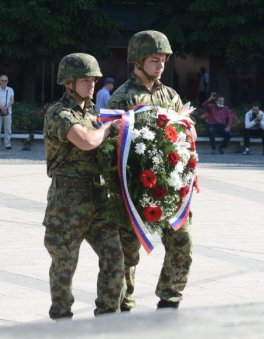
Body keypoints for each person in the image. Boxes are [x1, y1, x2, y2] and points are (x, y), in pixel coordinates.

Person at [107, 30, 194, 310]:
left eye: (163, 61)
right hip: (133, 186)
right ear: (137, 61)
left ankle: (170, 298)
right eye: (154, 60)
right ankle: (123, 301)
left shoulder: (170, 95)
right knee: (127, 251)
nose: (160, 66)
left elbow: (184, 133)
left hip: (167, 187)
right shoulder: (122, 98)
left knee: (182, 240)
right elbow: (111, 144)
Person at [43, 53, 124, 319]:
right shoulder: (59, 113)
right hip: (68, 199)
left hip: (98, 195)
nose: (92, 84)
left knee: (114, 256)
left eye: (94, 79)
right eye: (85, 79)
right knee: (65, 263)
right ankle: (62, 314)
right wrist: (109, 128)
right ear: (69, 82)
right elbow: (87, 141)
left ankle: (107, 313)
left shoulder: (93, 113)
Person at [0, 75, 14, 150]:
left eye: (5, 81)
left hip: (8, 111)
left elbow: (12, 100)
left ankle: (8, 144)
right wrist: (2, 108)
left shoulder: (10, 90)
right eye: (2, 80)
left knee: (8, 129)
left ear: (7, 81)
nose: (4, 82)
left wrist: (6, 107)